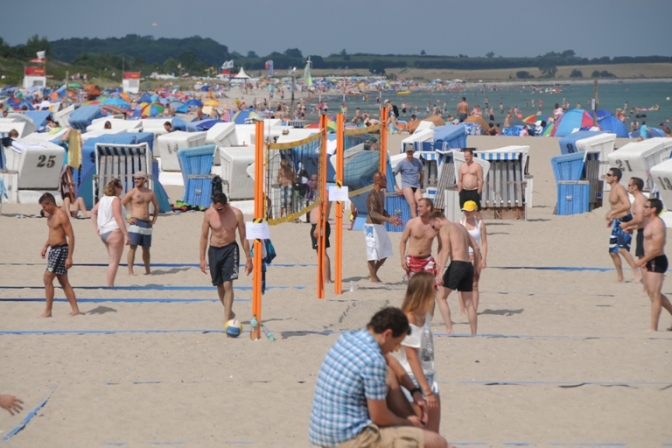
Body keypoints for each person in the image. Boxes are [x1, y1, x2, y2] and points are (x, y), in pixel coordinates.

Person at [309, 307, 450, 448]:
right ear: (387, 334)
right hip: (349, 438)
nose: (393, 350)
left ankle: (417, 430)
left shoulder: (348, 338)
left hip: (320, 433)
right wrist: (409, 422)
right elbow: (379, 417)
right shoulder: (373, 361)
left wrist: (414, 391)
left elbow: (390, 361)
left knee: (389, 373)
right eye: (396, 345)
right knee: (438, 442)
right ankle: (417, 430)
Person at [398, 272, 441, 432]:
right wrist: (427, 391)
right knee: (417, 434)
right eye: (435, 286)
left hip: (429, 376)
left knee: (433, 434)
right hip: (413, 380)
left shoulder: (425, 314)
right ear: (424, 291)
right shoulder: (410, 318)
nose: (438, 289)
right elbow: (411, 357)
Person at [200, 192, 253, 323]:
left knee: (228, 283)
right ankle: (229, 311)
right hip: (214, 250)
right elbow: (204, 236)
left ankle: (226, 318)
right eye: (216, 208)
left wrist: (248, 258)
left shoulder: (236, 214)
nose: (218, 211)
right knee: (219, 285)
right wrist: (202, 258)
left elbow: (243, 237)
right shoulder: (209, 214)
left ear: (226, 204)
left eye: (221, 209)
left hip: (230, 249)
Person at [429, 211, 481, 335]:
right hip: (468, 265)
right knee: (469, 302)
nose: (434, 229)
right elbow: (477, 248)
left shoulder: (445, 228)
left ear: (437, 220)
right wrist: (476, 269)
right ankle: (474, 334)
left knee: (440, 297)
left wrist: (440, 271)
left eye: (433, 226)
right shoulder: (461, 227)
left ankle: (449, 329)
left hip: (457, 264)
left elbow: (446, 250)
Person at [38, 193, 80, 317]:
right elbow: (53, 233)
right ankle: (75, 309)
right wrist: (46, 246)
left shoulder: (61, 216)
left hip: (61, 250)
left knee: (47, 278)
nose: (43, 209)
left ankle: (48, 311)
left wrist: (69, 257)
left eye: (44, 206)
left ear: (50, 204)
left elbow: (71, 236)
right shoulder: (50, 216)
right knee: (63, 281)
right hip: (53, 250)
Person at [634, 198, 672, 332]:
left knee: (655, 295)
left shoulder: (657, 225)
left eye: (646, 206)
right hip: (651, 260)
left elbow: (657, 249)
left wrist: (642, 260)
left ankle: (653, 327)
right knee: (653, 293)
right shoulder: (650, 223)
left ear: (653, 209)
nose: (643, 208)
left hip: (657, 260)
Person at [91, 179, 130, 287]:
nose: (122, 189)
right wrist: (126, 234)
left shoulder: (103, 199)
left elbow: (93, 212)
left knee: (112, 261)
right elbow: (118, 217)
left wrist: (97, 227)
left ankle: (110, 284)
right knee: (114, 262)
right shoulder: (115, 199)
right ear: (116, 188)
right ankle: (110, 285)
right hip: (114, 231)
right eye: (121, 187)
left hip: (104, 232)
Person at [365, 172, 402, 283]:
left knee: (387, 250)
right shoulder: (372, 195)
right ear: (378, 181)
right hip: (371, 226)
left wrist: (391, 217)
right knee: (372, 253)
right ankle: (373, 278)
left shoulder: (381, 193)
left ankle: (373, 272)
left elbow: (381, 210)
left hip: (379, 226)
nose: (386, 182)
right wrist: (388, 220)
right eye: (384, 180)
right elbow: (372, 213)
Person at [605, 168, 639, 283]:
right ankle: (620, 277)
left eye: (609, 175)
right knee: (612, 251)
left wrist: (613, 213)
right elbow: (616, 206)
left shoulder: (619, 189)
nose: (606, 176)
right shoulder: (613, 189)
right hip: (617, 221)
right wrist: (611, 217)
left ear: (615, 177)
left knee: (622, 249)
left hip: (625, 220)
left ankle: (636, 273)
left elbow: (627, 205)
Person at [122, 171, 158, 276]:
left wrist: (154, 219)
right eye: (135, 179)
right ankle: (130, 271)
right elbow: (120, 205)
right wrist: (128, 218)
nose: (136, 180)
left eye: (138, 178)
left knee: (146, 248)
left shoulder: (150, 193)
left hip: (146, 223)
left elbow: (156, 206)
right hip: (136, 222)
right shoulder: (132, 192)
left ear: (144, 180)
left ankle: (147, 270)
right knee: (133, 247)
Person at [458, 200, 487, 316]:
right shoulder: (460, 223)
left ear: (474, 211)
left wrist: (484, 258)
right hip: (463, 256)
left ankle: (474, 309)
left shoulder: (480, 224)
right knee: (462, 284)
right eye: (465, 210)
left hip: (476, 256)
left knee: (474, 284)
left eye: (469, 211)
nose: (467, 213)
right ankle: (463, 311)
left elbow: (484, 242)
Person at [400, 198, 438, 279]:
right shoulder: (412, 223)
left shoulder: (435, 225)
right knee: (415, 289)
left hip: (428, 260)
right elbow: (403, 241)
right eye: (418, 206)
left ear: (428, 207)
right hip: (412, 259)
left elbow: (442, 245)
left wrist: (440, 262)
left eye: (421, 206)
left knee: (430, 287)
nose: (418, 209)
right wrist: (403, 259)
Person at [620, 177, 647, 290]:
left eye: (629, 185)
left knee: (643, 260)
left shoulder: (639, 200)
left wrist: (627, 224)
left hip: (645, 232)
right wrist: (633, 227)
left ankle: (646, 286)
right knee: (645, 260)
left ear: (635, 187)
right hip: (644, 230)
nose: (628, 187)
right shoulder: (642, 198)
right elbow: (644, 220)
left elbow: (640, 218)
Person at [393, 145, 424, 219]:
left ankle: (421, 221)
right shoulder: (401, 163)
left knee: (421, 203)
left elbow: (422, 174)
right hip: (407, 185)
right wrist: (397, 187)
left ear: (413, 152)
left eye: (411, 151)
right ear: (406, 152)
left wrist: (420, 184)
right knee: (413, 205)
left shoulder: (418, 161)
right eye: (408, 151)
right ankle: (415, 222)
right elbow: (393, 175)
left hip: (416, 185)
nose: (410, 153)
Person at [310, 199, 332, 283]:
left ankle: (326, 279)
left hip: (320, 225)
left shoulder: (324, 194)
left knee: (322, 253)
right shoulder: (319, 193)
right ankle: (326, 278)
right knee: (320, 253)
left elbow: (325, 211)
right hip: (318, 225)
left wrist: (318, 226)